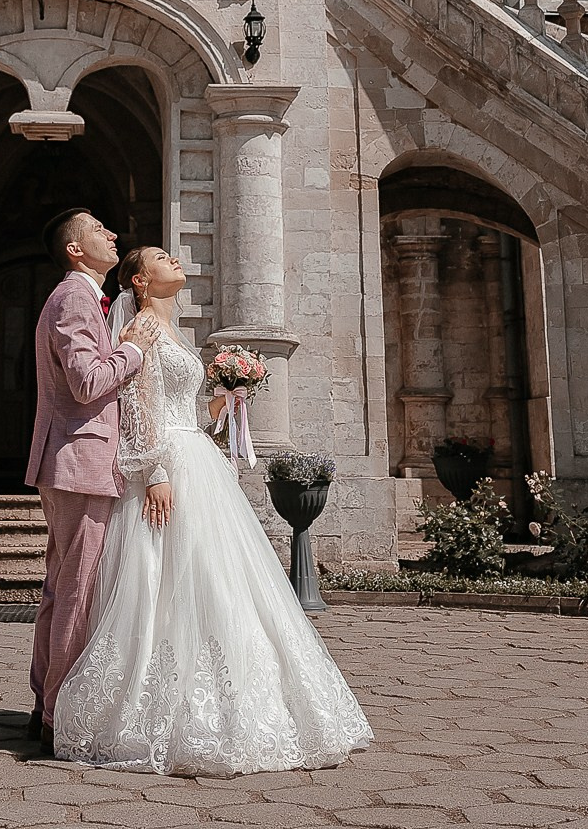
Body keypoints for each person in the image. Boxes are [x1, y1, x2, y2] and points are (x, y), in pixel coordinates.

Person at [50, 245, 372, 775]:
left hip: (196, 459)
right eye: (161, 258)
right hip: (167, 465)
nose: (175, 260)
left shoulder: (173, 331)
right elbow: (136, 404)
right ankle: (153, 712)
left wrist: (227, 399)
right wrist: (153, 472)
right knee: (166, 583)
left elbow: (187, 411)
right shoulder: (143, 331)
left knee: (216, 581)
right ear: (139, 281)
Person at [24, 207, 147, 748]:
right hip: (79, 460)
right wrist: (135, 349)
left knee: (62, 587)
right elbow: (86, 381)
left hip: (75, 459)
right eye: (99, 229)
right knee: (77, 588)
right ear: (76, 250)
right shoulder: (75, 295)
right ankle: (57, 715)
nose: (113, 234)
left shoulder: (82, 296)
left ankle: (44, 704)